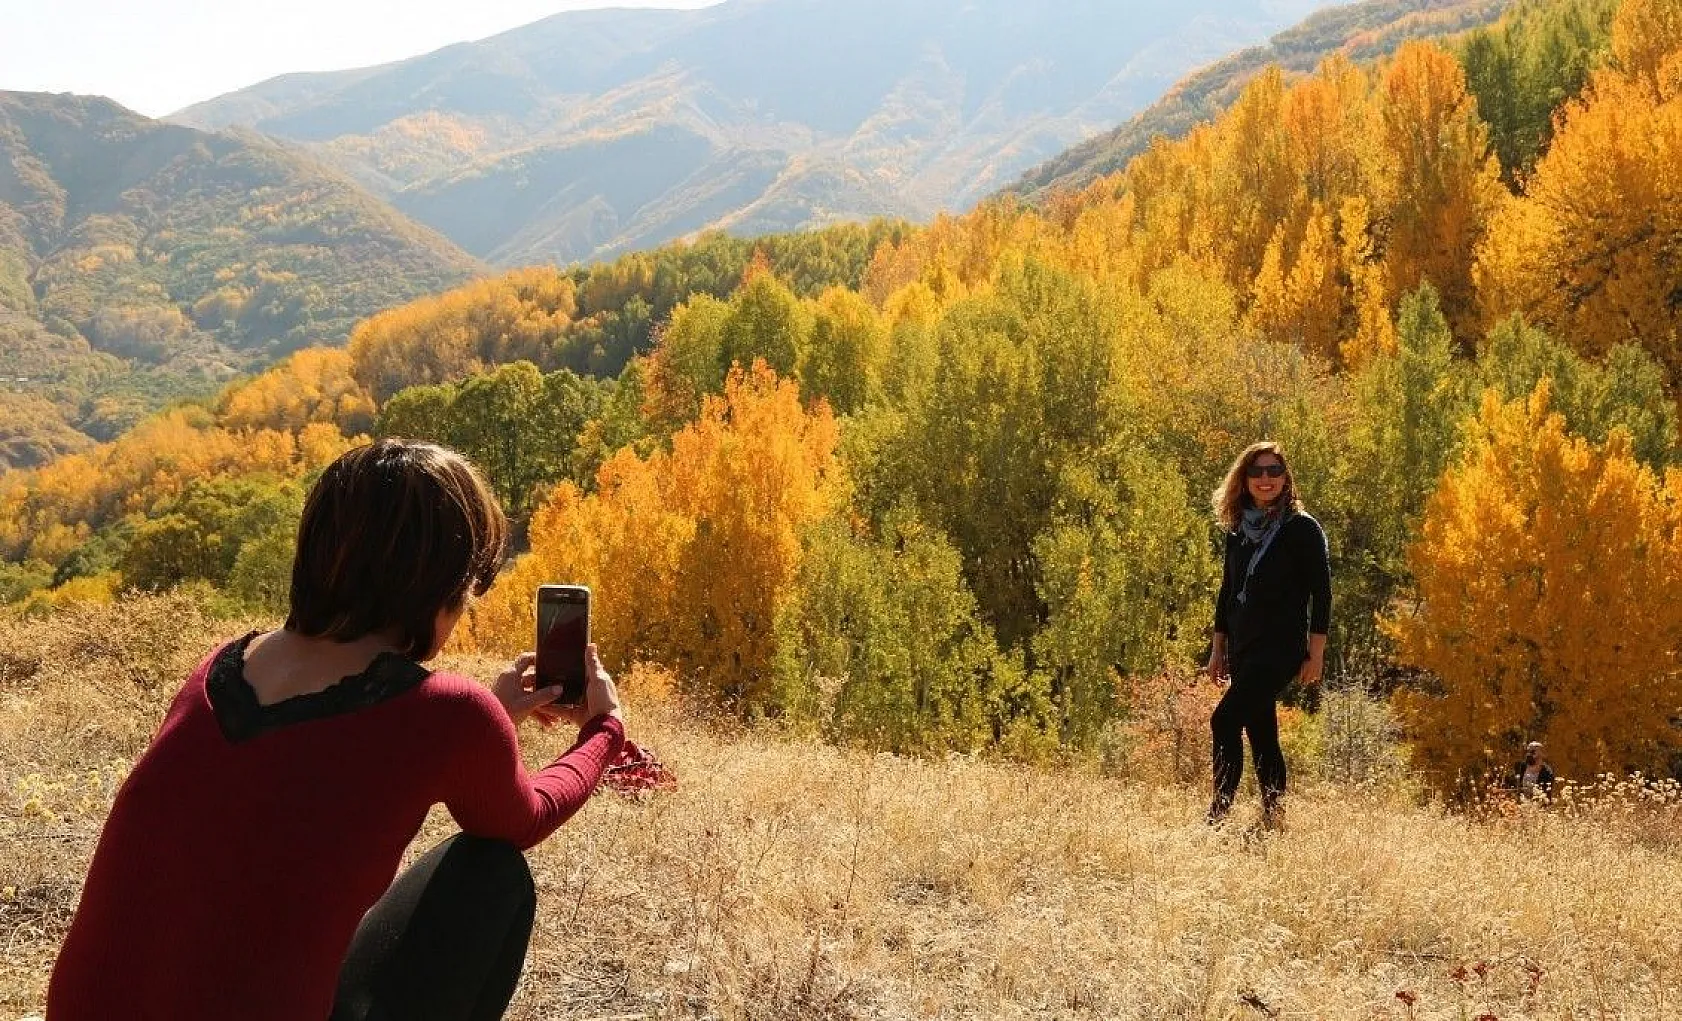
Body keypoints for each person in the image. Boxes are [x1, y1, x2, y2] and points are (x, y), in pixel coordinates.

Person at [47, 439, 627, 1021]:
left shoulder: (220, 667)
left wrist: (489, 718)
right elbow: (522, 818)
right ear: (442, 587)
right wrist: (604, 728)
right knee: (489, 874)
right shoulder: (445, 714)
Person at [1205, 441, 1331, 830]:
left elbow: (1321, 593)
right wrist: (1218, 648)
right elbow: (1228, 591)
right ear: (1243, 479)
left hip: (1280, 649)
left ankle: (1219, 813)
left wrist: (1316, 654)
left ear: (1285, 478)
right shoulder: (1238, 530)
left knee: (1223, 721)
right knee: (1261, 733)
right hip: (1244, 646)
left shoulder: (1301, 529)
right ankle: (1273, 817)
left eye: (1273, 471)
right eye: (1257, 471)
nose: (1265, 479)